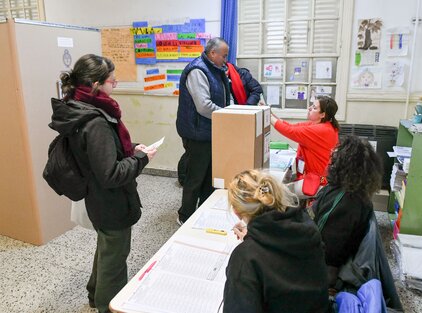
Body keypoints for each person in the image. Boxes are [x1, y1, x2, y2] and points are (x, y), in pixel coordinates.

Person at [50, 54, 157, 313]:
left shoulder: (77, 106)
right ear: (97, 84)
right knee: (115, 259)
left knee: (107, 246)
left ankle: (94, 294)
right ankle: (107, 306)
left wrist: (131, 148)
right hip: (110, 200)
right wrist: (142, 159)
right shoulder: (96, 120)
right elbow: (110, 174)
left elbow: (102, 153)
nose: (116, 84)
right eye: (112, 80)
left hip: (97, 198)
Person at [223, 169, 329, 313]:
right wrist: (254, 238)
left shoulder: (245, 258)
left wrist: (251, 244)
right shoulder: (308, 228)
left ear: (237, 211)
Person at [177, 62, 263, 186]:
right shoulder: (206, 74)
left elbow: (256, 90)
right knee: (195, 160)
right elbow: (205, 105)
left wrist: (246, 108)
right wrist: (227, 113)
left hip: (238, 117)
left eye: (226, 71)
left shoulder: (242, 74)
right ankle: (183, 180)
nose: (225, 73)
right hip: (218, 120)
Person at [312, 135, 383, 288]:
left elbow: (324, 247)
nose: (331, 159)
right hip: (327, 259)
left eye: (335, 157)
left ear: (345, 164)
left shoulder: (344, 202)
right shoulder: (351, 191)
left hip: (322, 268)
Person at [176, 37, 231, 224]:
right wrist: (228, 115)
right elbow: (204, 106)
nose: (226, 59)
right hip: (197, 133)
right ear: (212, 53)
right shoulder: (198, 70)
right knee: (195, 178)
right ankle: (185, 217)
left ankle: (203, 214)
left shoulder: (216, 70)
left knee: (209, 177)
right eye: (223, 55)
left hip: (210, 131)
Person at [270, 96, 340, 198]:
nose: (309, 108)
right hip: (315, 177)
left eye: (314, 108)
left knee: (277, 193)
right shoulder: (320, 125)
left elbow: (289, 131)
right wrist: (271, 114)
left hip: (318, 182)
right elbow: (291, 126)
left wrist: (267, 116)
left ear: (323, 114)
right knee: (283, 184)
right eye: (312, 105)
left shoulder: (321, 130)